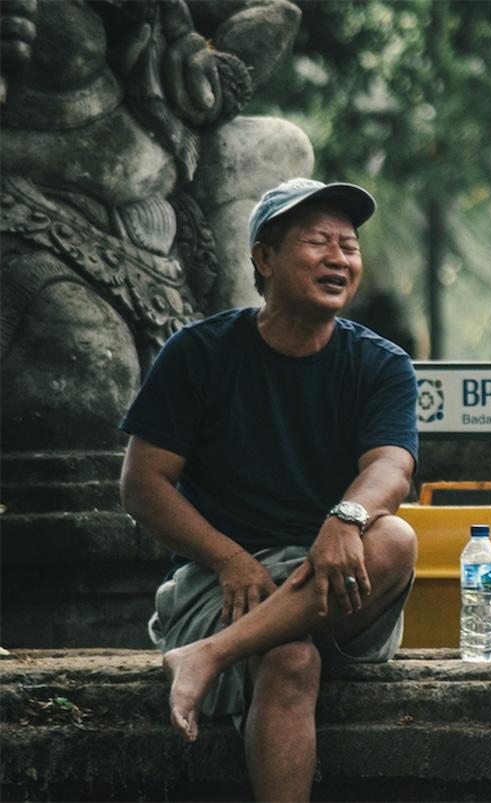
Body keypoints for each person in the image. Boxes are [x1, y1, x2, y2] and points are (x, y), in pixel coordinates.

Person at [119, 178, 419, 801]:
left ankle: (207, 656)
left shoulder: (380, 363)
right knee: (290, 661)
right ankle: (222, 644)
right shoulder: (199, 354)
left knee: (393, 536)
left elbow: (392, 465)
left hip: (337, 584)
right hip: (225, 587)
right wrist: (226, 557)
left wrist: (345, 518)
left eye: (349, 245)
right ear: (263, 257)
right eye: (317, 242)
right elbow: (142, 483)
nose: (340, 258)